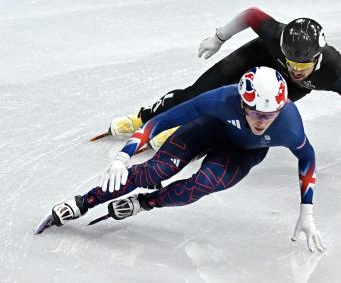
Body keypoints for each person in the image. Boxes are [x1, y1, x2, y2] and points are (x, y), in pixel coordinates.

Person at [43, 67, 326, 252]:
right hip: (209, 130)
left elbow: (308, 158)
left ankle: (145, 203)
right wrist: (122, 156)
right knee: (153, 171)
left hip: (242, 154)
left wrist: (307, 211)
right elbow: (160, 121)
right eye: (255, 113)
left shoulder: (289, 124)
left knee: (202, 184)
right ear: (241, 103)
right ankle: (83, 203)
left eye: (270, 115)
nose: (262, 122)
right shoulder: (221, 99)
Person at [108, 7, 341, 177]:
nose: (295, 70)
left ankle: (186, 133)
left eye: (302, 65)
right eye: (291, 62)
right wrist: (219, 38)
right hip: (253, 59)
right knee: (198, 94)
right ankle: (144, 117)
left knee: (245, 118)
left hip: (280, 90)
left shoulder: (335, 72)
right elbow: (251, 15)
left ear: (317, 58)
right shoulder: (275, 34)